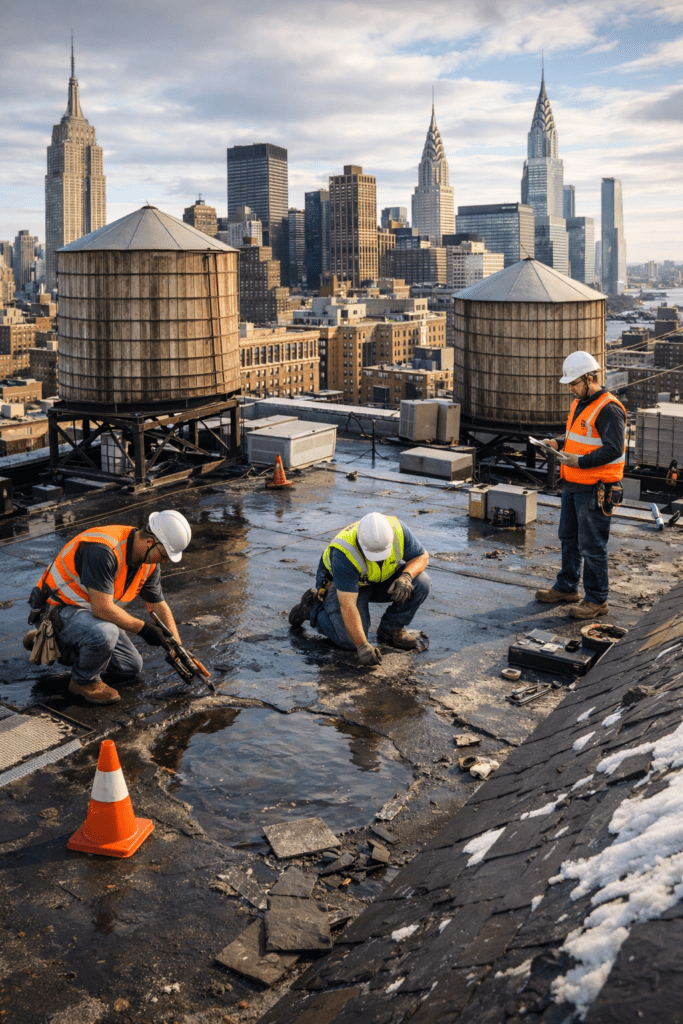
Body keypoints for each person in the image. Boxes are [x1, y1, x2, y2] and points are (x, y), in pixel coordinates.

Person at [25, 510, 192, 704]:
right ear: (150, 542)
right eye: (164, 555)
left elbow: (158, 605)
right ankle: (83, 681)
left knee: (130, 666)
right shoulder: (104, 550)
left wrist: (178, 649)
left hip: (85, 616)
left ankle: (48, 641)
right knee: (106, 633)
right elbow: (102, 609)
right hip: (56, 610)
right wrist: (146, 630)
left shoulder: (148, 562)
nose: (164, 561)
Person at [535, 351, 626, 619]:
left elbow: (613, 449)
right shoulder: (580, 403)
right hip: (574, 484)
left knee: (592, 545)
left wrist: (580, 462)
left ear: (589, 379)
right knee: (568, 538)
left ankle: (597, 600)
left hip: (595, 488)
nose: (571, 389)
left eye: (574, 383)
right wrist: (556, 444)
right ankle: (567, 586)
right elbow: (578, 437)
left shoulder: (609, 408)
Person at [288, 512, 431, 665]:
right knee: (350, 641)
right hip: (342, 584)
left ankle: (391, 628)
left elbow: (421, 555)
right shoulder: (343, 553)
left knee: (421, 582)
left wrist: (406, 577)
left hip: (377, 578)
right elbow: (347, 605)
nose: (380, 557)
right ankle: (311, 609)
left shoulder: (398, 530)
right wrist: (362, 646)